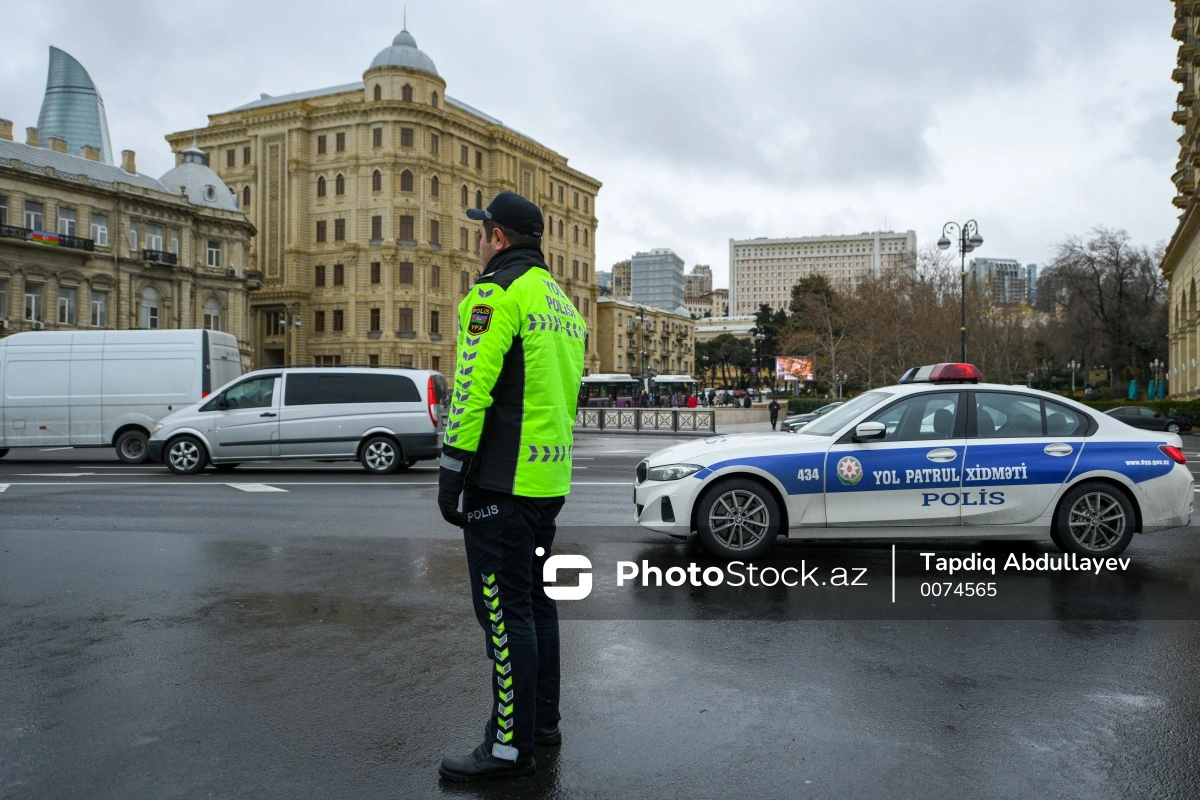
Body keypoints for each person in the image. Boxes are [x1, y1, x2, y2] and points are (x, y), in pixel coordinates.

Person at [437, 191, 585, 781]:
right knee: (537, 604)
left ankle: (507, 748)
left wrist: (452, 471)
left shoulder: (494, 295)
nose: (478, 241)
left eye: (481, 232)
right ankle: (540, 724)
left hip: (501, 482)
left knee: (502, 614)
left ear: (496, 237)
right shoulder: (562, 305)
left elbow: (471, 388)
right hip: (549, 480)